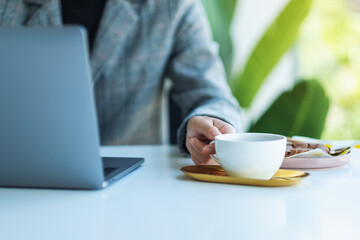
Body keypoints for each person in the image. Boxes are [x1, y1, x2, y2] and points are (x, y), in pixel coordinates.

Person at [0, 0, 243, 165]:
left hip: (135, 190)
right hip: (22, 179)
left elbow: (214, 97)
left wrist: (211, 124)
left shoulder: (171, 6)